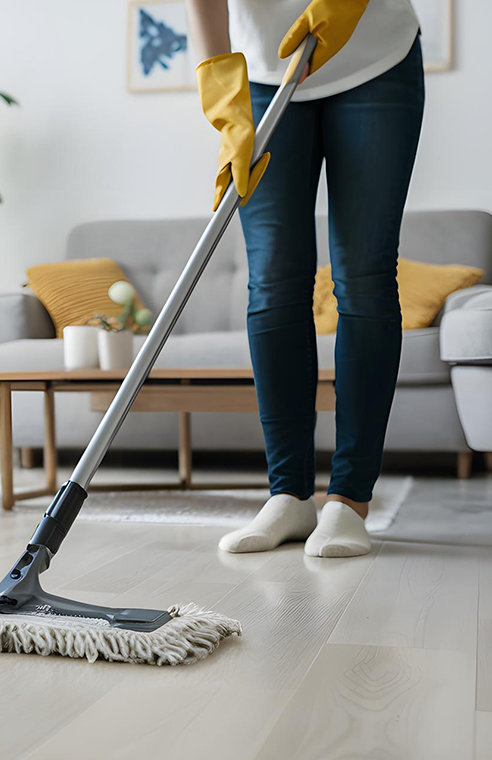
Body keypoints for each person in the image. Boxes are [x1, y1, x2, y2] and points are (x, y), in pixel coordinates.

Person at [185, 0, 424, 557]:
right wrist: (221, 93)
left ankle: (348, 501)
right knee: (271, 281)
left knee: (363, 276)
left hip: (376, 61)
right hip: (265, 78)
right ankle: (288, 495)